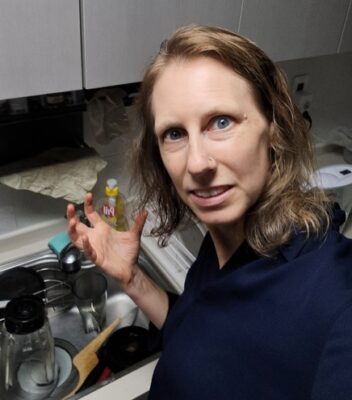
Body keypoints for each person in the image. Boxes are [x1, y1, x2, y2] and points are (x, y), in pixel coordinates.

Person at [67, 25, 352, 399]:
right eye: (174, 134)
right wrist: (133, 280)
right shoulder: (224, 239)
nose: (197, 163)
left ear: (275, 129)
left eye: (221, 122)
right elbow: (198, 332)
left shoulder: (337, 297)